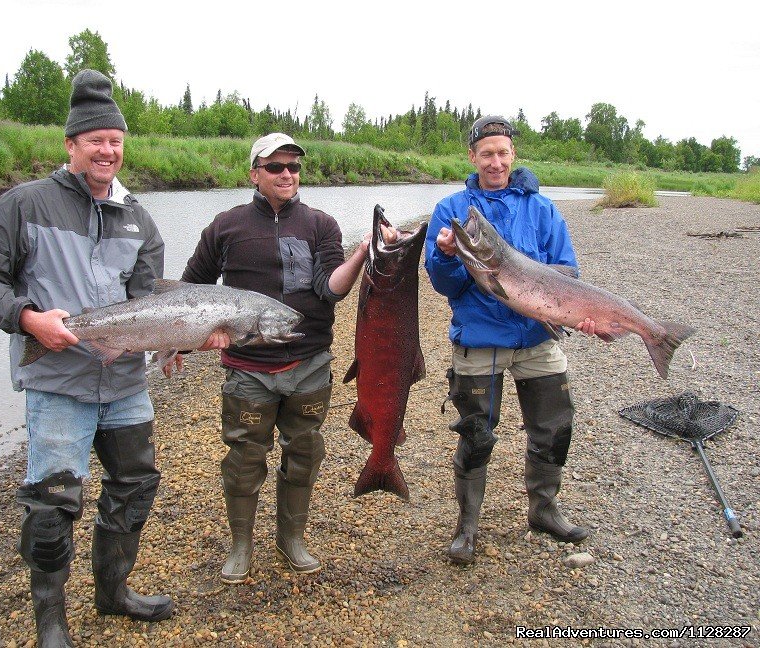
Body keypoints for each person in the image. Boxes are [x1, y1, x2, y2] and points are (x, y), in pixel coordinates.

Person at [0, 69, 214, 647]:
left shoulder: (140, 220)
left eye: (116, 141)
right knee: (53, 504)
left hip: (125, 382)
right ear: (71, 145)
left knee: (135, 483)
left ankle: (112, 593)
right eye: (96, 140)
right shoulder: (22, 205)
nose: (108, 150)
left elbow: (150, 301)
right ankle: (51, 625)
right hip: (56, 383)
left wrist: (179, 340)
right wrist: (28, 319)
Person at [180, 132, 394, 584]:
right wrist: (187, 341)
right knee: (244, 458)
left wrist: (360, 254)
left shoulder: (321, 225)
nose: (286, 175)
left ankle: (290, 539)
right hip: (247, 369)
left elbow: (330, 290)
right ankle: (241, 545)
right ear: (254, 173)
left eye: (294, 167)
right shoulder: (225, 225)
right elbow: (191, 291)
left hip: (309, 363)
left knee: (305, 452)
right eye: (275, 167)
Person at [424, 115, 595, 565]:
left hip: (539, 339)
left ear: (513, 154)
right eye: (487, 154)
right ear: (472, 157)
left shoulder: (543, 210)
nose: (495, 162)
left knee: (555, 427)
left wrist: (581, 316)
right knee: (476, 435)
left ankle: (544, 510)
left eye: (503, 153)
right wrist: (446, 257)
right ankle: (466, 529)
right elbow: (443, 285)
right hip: (479, 342)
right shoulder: (451, 210)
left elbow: (567, 271)